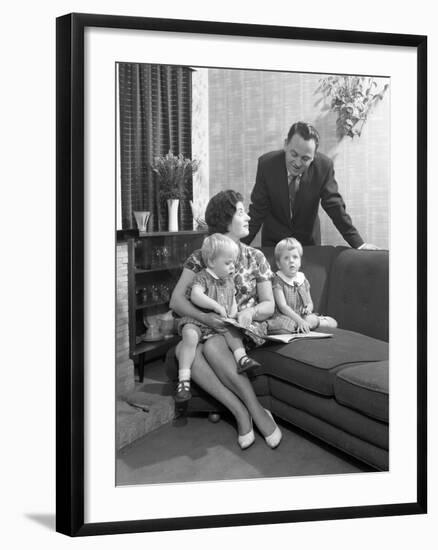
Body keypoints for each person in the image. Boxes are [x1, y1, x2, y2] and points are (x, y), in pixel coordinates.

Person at [170, 190, 282, 450]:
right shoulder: (202, 256)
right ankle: (241, 412)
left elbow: (269, 305)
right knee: (182, 350)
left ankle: (256, 411)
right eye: (241, 212)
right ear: (225, 219)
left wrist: (249, 312)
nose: (248, 216)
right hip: (210, 326)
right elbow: (176, 301)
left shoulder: (256, 258)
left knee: (211, 346)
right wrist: (205, 319)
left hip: (241, 328)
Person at [241, 121, 379, 250]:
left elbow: (335, 207)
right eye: (293, 154)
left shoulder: (323, 167)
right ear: (285, 145)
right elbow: (257, 211)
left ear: (313, 156)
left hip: (307, 244)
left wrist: (359, 245)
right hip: (275, 244)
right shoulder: (267, 165)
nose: (298, 163)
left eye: (305, 158)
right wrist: (237, 247)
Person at [174, 233, 261, 404]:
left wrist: (234, 313)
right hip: (198, 321)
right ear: (212, 262)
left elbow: (233, 300)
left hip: (219, 323)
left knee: (232, 331)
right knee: (189, 336)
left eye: (233, 263)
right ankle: (183, 380)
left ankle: (242, 359)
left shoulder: (228, 281)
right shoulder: (203, 276)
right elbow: (195, 295)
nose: (232, 267)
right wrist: (215, 306)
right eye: (228, 263)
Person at [270, 237, 337, 334]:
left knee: (332, 322)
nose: (291, 261)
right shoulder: (278, 280)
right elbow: (283, 306)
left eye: (295, 257)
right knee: (282, 325)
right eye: (286, 258)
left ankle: (304, 326)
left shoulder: (303, 280)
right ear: (279, 264)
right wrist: (299, 320)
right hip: (286, 316)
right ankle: (301, 326)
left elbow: (310, 303)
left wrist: (308, 309)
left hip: (303, 316)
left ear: (300, 261)